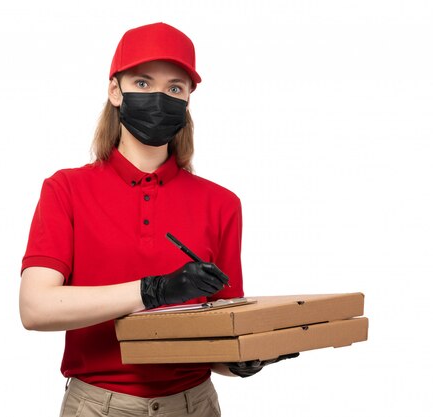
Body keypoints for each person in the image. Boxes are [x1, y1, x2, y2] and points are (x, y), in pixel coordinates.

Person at [19, 22, 296, 417]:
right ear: (115, 91)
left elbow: (219, 329)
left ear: (186, 100)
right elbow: (35, 307)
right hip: (98, 405)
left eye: (175, 88)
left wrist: (238, 361)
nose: (160, 98)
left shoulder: (221, 203)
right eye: (144, 83)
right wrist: (153, 291)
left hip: (195, 404)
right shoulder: (65, 189)